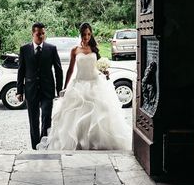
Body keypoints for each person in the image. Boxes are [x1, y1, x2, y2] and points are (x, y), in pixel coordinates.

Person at [37, 22, 132, 150]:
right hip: (79, 85)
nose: (86, 37)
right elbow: (70, 70)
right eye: (84, 34)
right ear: (80, 34)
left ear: (91, 34)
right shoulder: (75, 50)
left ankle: (95, 143)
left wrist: (105, 72)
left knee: (99, 116)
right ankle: (77, 144)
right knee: (74, 116)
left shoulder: (94, 49)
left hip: (95, 85)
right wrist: (65, 87)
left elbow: (98, 67)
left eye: (88, 34)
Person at [16, 22, 63, 149]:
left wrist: (60, 89)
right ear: (33, 34)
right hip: (31, 90)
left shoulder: (51, 49)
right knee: (33, 119)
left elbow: (58, 70)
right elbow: (21, 70)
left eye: (43, 33)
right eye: (38, 34)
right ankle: (35, 146)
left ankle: (45, 144)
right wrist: (19, 90)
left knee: (47, 117)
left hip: (47, 90)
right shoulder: (24, 49)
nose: (41, 36)